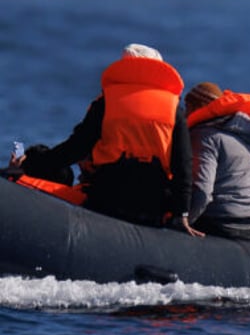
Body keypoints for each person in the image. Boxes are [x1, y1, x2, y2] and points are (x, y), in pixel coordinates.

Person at [22, 43, 199, 233]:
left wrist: (29, 165)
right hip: (152, 207)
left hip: (107, 199)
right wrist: (182, 214)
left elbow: (74, 149)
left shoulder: (106, 102)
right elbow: (183, 166)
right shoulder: (174, 111)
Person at [184, 82, 250, 241]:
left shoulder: (205, 136)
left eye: (187, 106)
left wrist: (185, 221)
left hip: (221, 219)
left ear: (198, 107)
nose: (185, 112)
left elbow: (203, 192)